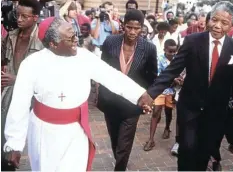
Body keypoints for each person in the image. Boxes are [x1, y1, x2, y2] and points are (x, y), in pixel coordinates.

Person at [3, 17, 153, 171]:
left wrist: (140, 95)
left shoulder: (83, 56)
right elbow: (19, 104)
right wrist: (14, 144)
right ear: (53, 44)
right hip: (45, 133)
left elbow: (110, 75)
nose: (76, 40)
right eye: (70, 38)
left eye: (75, 35)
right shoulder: (32, 64)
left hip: (76, 130)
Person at [144, 1, 233, 171]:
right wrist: (151, 93)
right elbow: (172, 70)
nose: (217, 26)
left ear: (232, 25)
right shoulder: (192, 41)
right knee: (187, 148)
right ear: (208, 19)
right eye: (214, 20)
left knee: (204, 152)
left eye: (224, 23)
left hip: (216, 112)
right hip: (190, 107)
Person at [98, 9, 157, 171]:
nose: (132, 32)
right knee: (115, 139)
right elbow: (102, 70)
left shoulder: (149, 48)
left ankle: (120, 168)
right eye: (129, 27)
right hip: (110, 101)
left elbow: (152, 77)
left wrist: (148, 98)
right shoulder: (111, 42)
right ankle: (120, 161)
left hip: (132, 104)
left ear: (142, 28)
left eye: (136, 28)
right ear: (123, 26)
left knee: (124, 143)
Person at [1, 0, 44, 171]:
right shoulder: (10, 36)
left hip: (35, 98)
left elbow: (46, 76)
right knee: (6, 133)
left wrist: (16, 79)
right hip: (9, 95)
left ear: (35, 18)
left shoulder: (43, 41)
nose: (19, 19)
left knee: (35, 140)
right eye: (17, 15)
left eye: (24, 16)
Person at [144, 39, 178, 151]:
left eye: (174, 51)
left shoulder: (177, 60)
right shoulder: (159, 59)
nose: (173, 54)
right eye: (170, 51)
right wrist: (173, 79)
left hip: (172, 91)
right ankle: (151, 139)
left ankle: (167, 128)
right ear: (165, 50)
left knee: (169, 112)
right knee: (156, 113)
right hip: (160, 90)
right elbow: (158, 75)